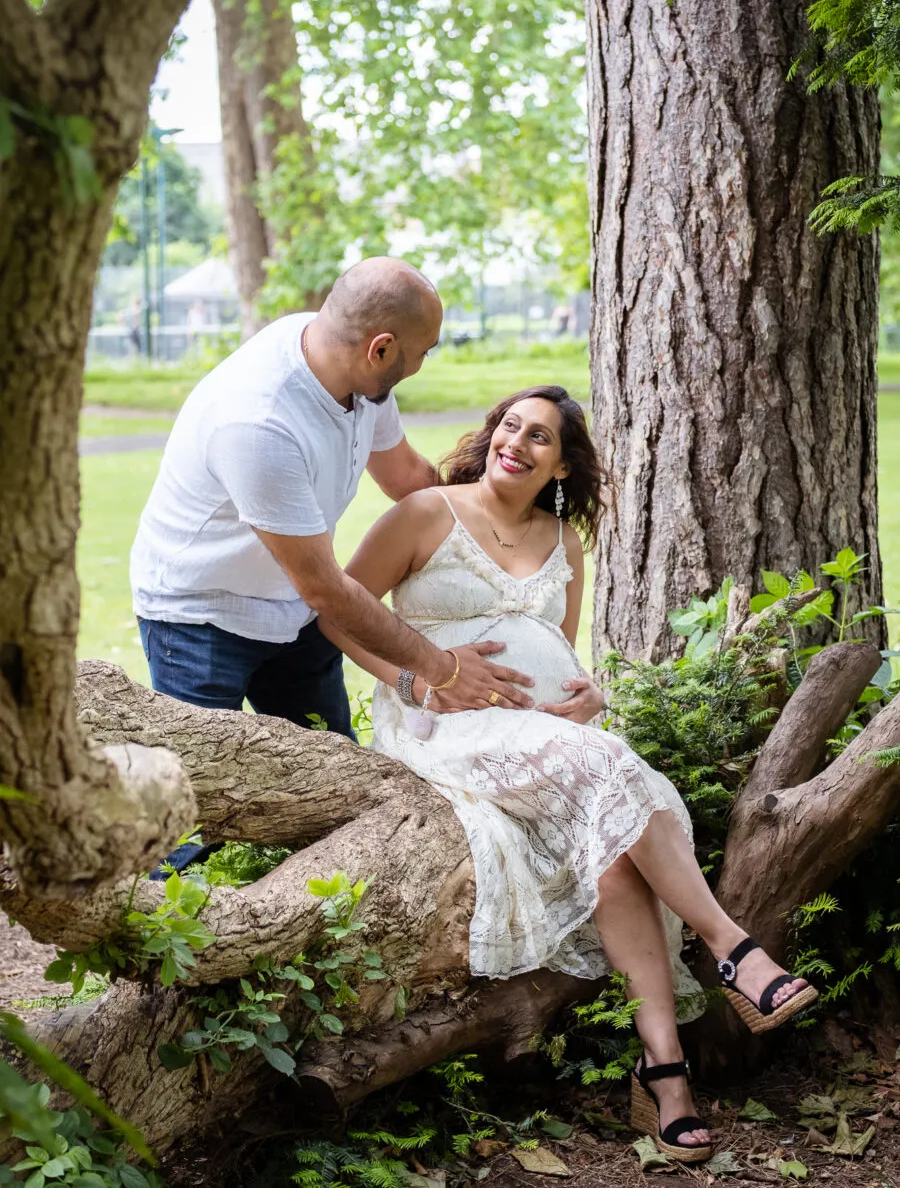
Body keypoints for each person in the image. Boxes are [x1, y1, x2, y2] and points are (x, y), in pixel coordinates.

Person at [318, 385, 818, 1164]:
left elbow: (561, 652)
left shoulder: (564, 542)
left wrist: (592, 695)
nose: (517, 442)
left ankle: (664, 1073)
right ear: (490, 436)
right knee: (616, 769)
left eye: (539, 436)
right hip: (444, 728)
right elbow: (337, 612)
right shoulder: (425, 513)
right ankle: (731, 946)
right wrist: (416, 680)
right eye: (509, 426)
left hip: (547, 738)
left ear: (560, 465)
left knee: (614, 855)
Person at [130, 258, 535, 870]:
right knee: (192, 812)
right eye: (422, 352)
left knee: (335, 781)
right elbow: (324, 587)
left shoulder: (353, 371)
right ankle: (156, 925)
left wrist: (497, 525)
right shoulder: (260, 421)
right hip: (199, 617)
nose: (423, 364)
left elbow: (407, 478)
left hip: (292, 611)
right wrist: (441, 668)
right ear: (381, 348)